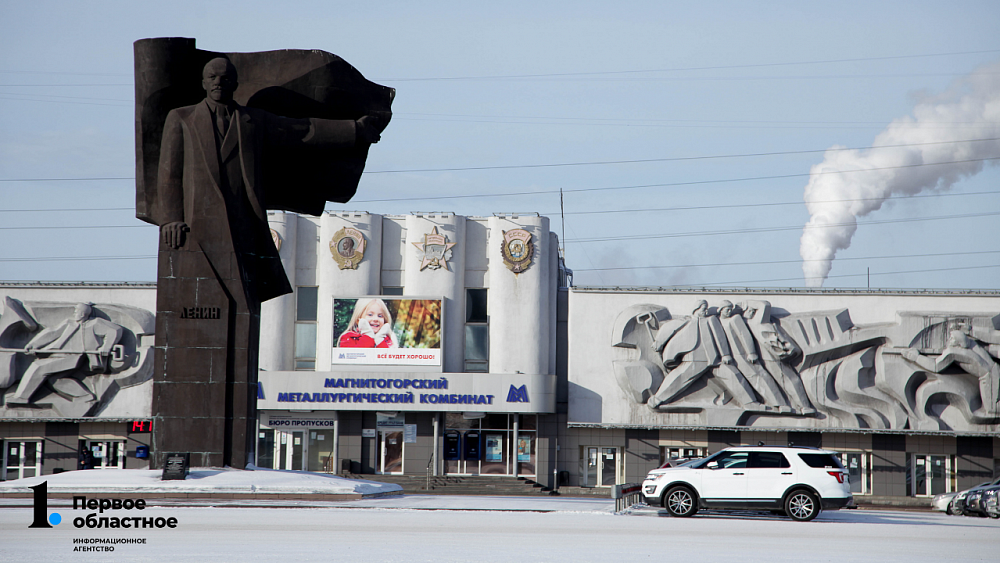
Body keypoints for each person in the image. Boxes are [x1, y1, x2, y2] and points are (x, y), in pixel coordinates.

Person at [149, 57, 383, 467]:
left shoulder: (253, 121)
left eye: (226, 78)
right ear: (203, 83)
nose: (220, 83)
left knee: (243, 314)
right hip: (193, 236)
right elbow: (168, 172)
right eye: (213, 77)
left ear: (236, 83)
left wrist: (356, 131)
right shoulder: (181, 119)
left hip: (241, 229)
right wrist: (170, 218)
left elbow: (303, 132)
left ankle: (233, 458)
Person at [9, 303, 122, 405]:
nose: (74, 313)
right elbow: (52, 333)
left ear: (82, 314)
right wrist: (33, 345)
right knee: (55, 380)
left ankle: (21, 398)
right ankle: (84, 396)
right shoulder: (69, 323)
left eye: (76, 311)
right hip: (58, 354)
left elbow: (114, 331)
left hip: (74, 356)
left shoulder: (94, 324)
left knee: (38, 367)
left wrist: (106, 347)